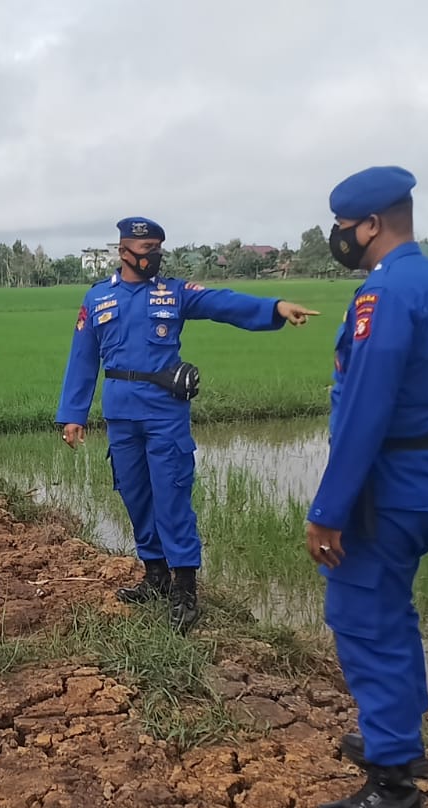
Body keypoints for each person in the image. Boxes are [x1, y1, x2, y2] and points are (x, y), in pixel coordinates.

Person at [303, 166, 428, 808]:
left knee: (363, 617)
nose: (340, 238)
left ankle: (393, 785)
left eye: (343, 227)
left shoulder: (384, 294)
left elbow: (366, 410)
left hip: (389, 483)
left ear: (371, 225)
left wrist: (328, 510)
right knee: (391, 608)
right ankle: (397, 734)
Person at [56, 217, 319, 633]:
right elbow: (82, 357)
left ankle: (185, 588)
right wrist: (73, 414)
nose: (155, 256)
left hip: (165, 413)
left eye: (158, 248)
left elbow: (221, 303)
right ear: (123, 252)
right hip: (121, 415)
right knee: (135, 495)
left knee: (172, 496)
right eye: (147, 249)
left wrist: (275, 308)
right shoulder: (98, 297)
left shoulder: (174, 293)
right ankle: (156, 575)